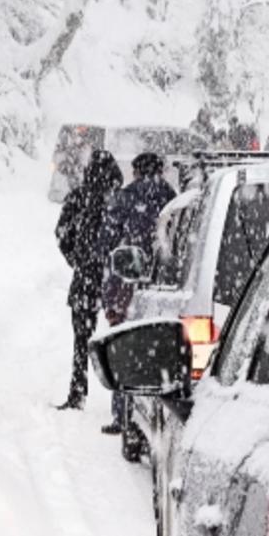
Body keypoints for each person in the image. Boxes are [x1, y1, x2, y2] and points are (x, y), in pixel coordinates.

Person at [97, 152, 177, 450]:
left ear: (136, 171)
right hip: (163, 288)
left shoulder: (125, 198)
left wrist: (108, 292)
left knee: (122, 348)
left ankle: (123, 415)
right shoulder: (171, 199)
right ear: (160, 170)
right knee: (154, 354)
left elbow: (107, 243)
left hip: (126, 285)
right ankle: (154, 413)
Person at [52, 149, 122, 410]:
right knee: (122, 336)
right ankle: (122, 399)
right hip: (115, 277)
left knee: (81, 338)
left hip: (85, 277)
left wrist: (76, 259)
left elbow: (61, 233)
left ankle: (78, 391)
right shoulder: (118, 199)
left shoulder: (79, 197)